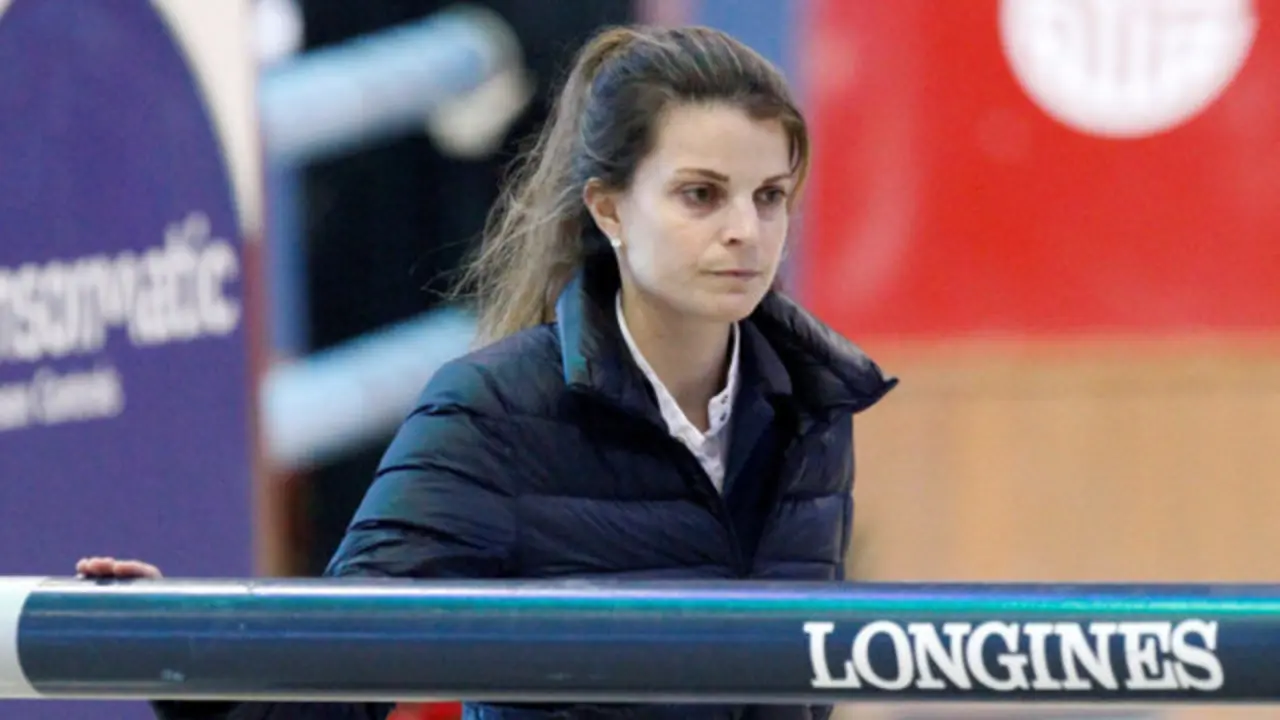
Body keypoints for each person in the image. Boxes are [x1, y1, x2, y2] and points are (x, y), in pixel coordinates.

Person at [76, 22, 897, 720]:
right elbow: (337, 668)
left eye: (770, 196)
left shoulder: (814, 408)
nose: (746, 233)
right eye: (701, 195)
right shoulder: (492, 413)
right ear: (608, 208)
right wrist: (176, 650)